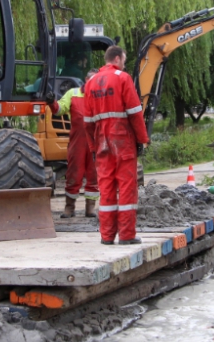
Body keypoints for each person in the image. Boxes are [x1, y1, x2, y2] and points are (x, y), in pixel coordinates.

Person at [83, 46, 149, 245]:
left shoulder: (90, 83)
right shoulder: (123, 78)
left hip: (101, 140)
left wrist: (93, 148)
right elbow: (135, 113)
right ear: (118, 58)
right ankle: (127, 235)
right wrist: (142, 139)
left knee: (106, 187)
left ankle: (107, 236)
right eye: (124, 60)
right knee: (127, 187)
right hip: (122, 140)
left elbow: (87, 122)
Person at [49, 69, 100, 218]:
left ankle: (90, 209)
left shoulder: (100, 97)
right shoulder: (73, 93)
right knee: (73, 174)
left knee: (94, 175)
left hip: (96, 142)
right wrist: (52, 102)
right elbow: (59, 110)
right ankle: (69, 208)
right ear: (86, 79)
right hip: (77, 142)